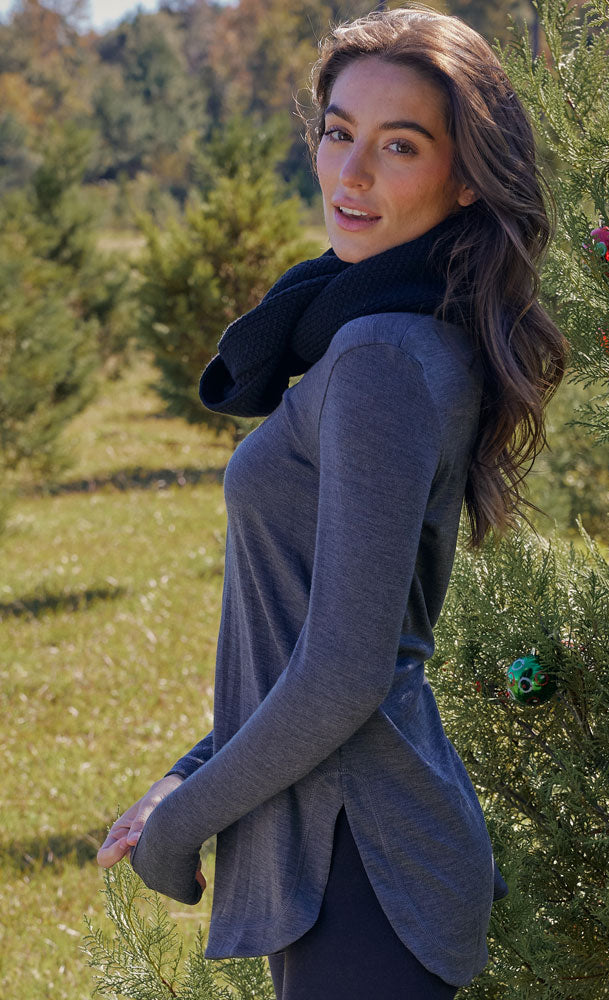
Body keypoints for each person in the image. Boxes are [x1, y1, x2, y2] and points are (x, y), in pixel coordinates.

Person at [96, 5, 569, 998]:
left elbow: (349, 670)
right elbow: (331, 632)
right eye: (338, 133)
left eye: (398, 146)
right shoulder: (398, 328)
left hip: (362, 868)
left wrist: (182, 825)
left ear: (466, 174)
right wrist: (192, 768)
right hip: (355, 849)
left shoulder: (380, 358)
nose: (350, 176)